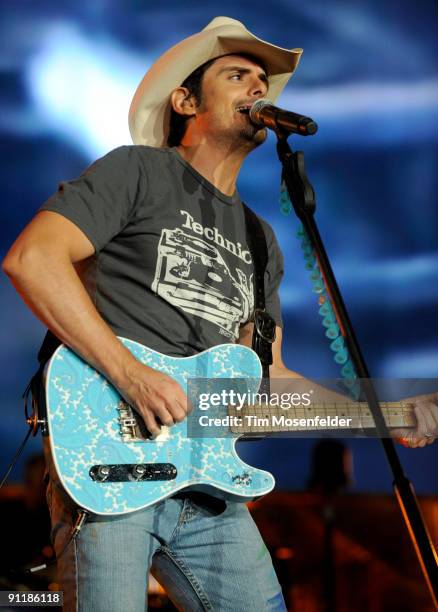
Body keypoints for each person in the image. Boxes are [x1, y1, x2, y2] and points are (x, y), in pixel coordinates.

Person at [2, 16, 437, 612]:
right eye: (238, 75)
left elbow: (271, 383)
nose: (258, 89)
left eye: (263, 81)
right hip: (111, 464)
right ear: (186, 100)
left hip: (206, 487)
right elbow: (33, 259)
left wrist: (387, 416)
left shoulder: (262, 242)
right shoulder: (138, 171)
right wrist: (131, 374)